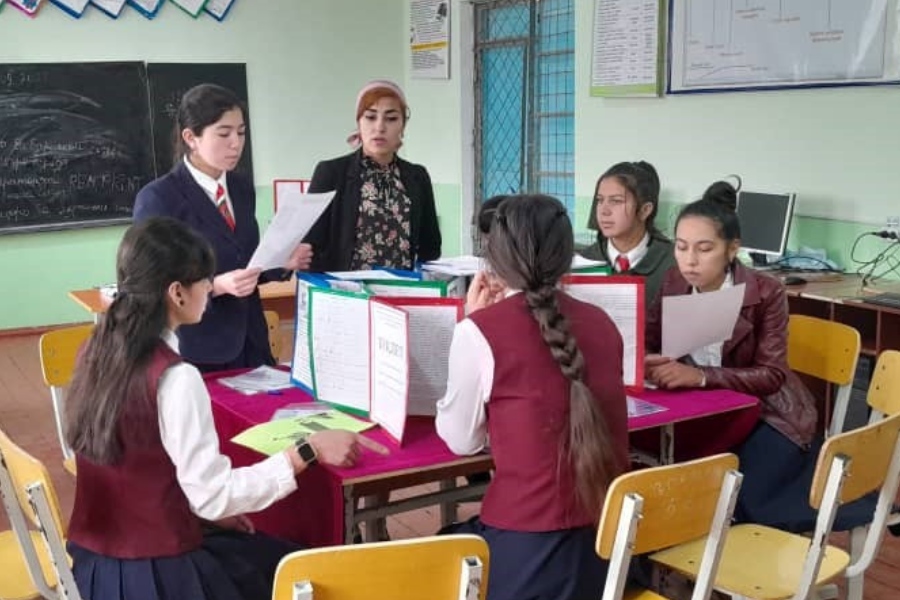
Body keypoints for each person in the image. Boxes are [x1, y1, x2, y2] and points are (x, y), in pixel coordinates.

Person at [64, 217, 387, 600]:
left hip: (96, 572)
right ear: (177, 294)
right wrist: (308, 449)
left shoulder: (95, 350)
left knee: (259, 549)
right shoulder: (175, 379)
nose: (209, 289)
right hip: (162, 576)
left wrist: (206, 511)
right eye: (205, 281)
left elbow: (146, 470)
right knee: (302, 569)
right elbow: (212, 496)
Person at [436, 194, 629, 600]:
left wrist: (472, 322)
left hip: (528, 557)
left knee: (440, 551)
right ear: (566, 255)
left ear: (494, 258)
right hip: (607, 552)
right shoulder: (604, 323)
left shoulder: (480, 332)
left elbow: (462, 442)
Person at [643, 180, 820, 524]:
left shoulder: (766, 291)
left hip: (769, 414)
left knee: (738, 499)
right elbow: (648, 340)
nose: (689, 260)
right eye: (681, 247)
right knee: (661, 477)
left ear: (732, 249)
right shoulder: (673, 282)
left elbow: (772, 375)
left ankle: (729, 569)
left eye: (704, 249)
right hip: (702, 408)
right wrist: (649, 359)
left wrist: (700, 376)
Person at [134, 83, 312, 372]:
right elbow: (152, 287)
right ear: (191, 137)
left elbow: (246, 262)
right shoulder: (158, 198)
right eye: (224, 133)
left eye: (241, 133)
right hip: (198, 349)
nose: (236, 143)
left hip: (252, 342)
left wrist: (282, 261)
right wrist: (214, 286)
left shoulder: (241, 188)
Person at [304, 79, 441, 272]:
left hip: (400, 292)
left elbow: (431, 247)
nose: (379, 127)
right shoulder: (331, 173)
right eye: (370, 117)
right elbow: (309, 246)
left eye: (391, 118)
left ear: (403, 125)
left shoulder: (417, 176)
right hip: (344, 294)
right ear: (358, 122)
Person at [582, 161, 674, 308]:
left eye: (616, 201)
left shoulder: (674, 263)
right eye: (600, 200)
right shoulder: (584, 261)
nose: (604, 211)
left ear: (645, 210)